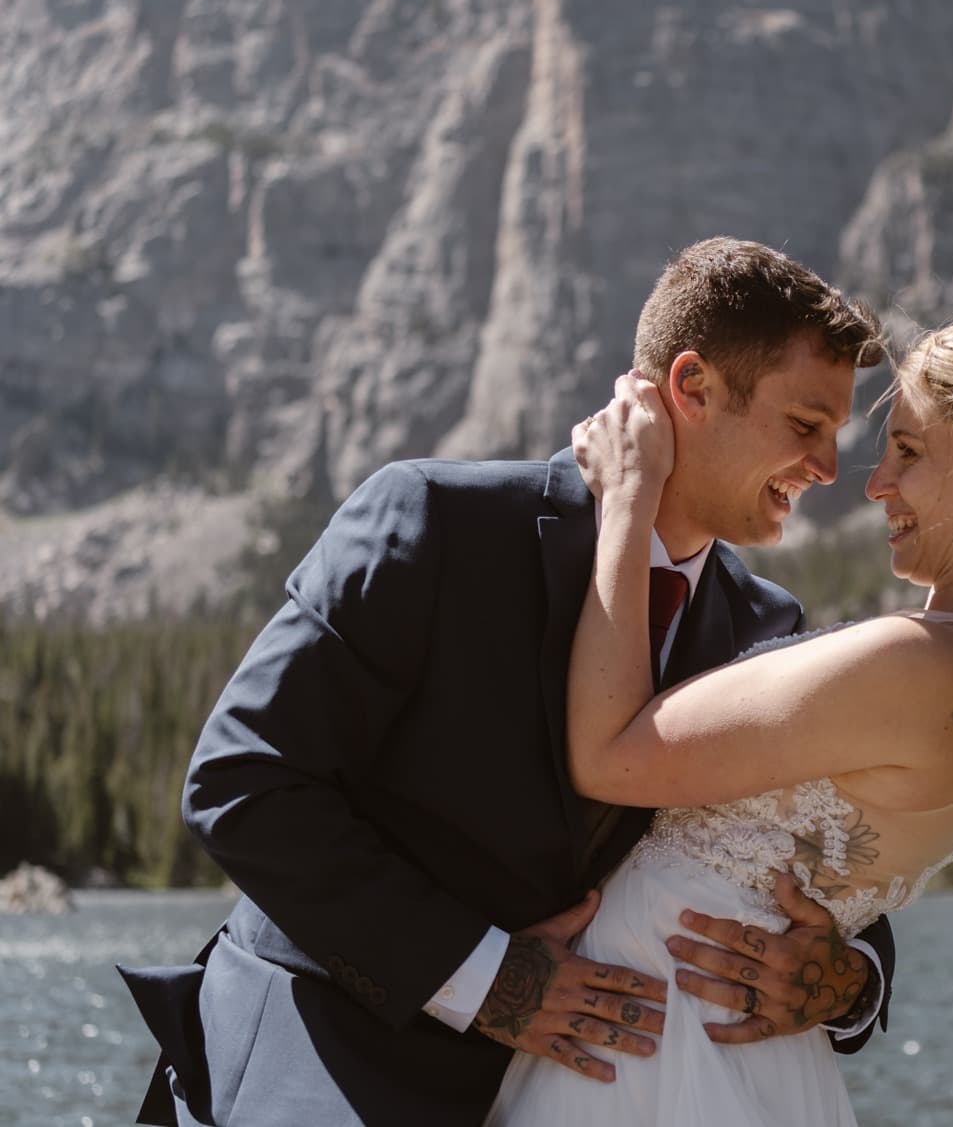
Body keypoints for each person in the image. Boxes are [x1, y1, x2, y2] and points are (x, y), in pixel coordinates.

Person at [117, 238, 899, 1126]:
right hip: (335, 1041)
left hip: (594, 1090)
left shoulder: (770, 633)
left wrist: (847, 978)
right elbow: (241, 780)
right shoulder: (433, 521)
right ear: (691, 388)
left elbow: (828, 871)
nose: (830, 469)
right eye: (805, 425)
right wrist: (484, 976)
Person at [491, 301, 953, 1124]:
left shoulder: (915, 662)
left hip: (654, 1051)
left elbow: (611, 755)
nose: (875, 484)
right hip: (722, 1048)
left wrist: (628, 494)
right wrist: (853, 981)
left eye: (906, 450)